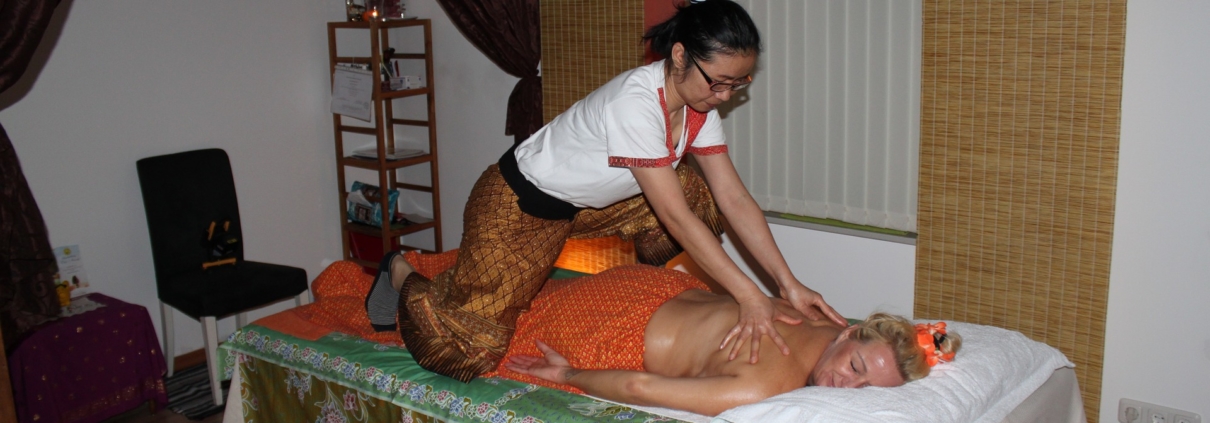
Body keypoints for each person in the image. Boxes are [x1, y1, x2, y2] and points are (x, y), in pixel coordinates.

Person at [364, 0, 847, 382]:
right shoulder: (635, 103)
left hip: (592, 208)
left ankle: (646, 293)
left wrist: (787, 285)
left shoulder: (699, 108)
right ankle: (400, 270)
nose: (726, 95)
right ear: (680, 55)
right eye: (718, 82)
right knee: (465, 352)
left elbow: (734, 198)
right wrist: (747, 293)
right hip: (519, 206)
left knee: (698, 195)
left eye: (737, 84)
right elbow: (675, 218)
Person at [490, 264, 961, 416]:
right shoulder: (762, 388)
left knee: (505, 290)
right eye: (855, 368)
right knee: (476, 333)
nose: (844, 387)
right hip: (610, 329)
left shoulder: (817, 316)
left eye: (865, 390)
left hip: (650, 283)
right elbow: (638, 389)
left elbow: (932, 343)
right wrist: (568, 374)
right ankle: (409, 274)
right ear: (851, 334)